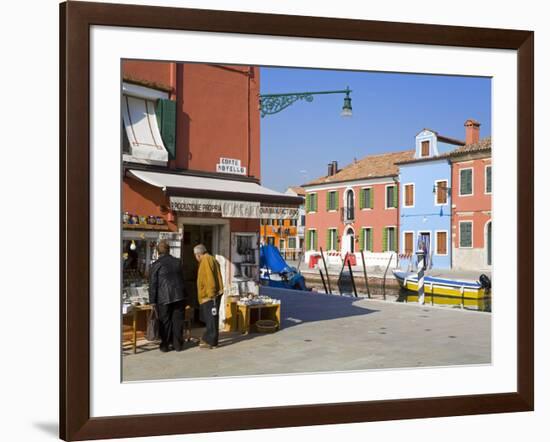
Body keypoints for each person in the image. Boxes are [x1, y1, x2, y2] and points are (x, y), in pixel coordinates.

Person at [149, 240, 187, 352]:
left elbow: (153, 284)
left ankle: (165, 345)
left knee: (165, 322)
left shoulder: (156, 264)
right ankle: (177, 345)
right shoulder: (177, 262)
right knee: (177, 321)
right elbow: (182, 280)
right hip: (179, 296)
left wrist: (152, 301)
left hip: (163, 297)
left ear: (158, 252)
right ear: (169, 250)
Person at [194, 244, 224, 349]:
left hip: (210, 296)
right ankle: (210, 339)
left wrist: (211, 295)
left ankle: (211, 341)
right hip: (212, 295)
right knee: (212, 318)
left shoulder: (206, 260)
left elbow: (209, 278)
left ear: (198, 254)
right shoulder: (211, 258)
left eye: (195, 255)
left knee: (210, 319)